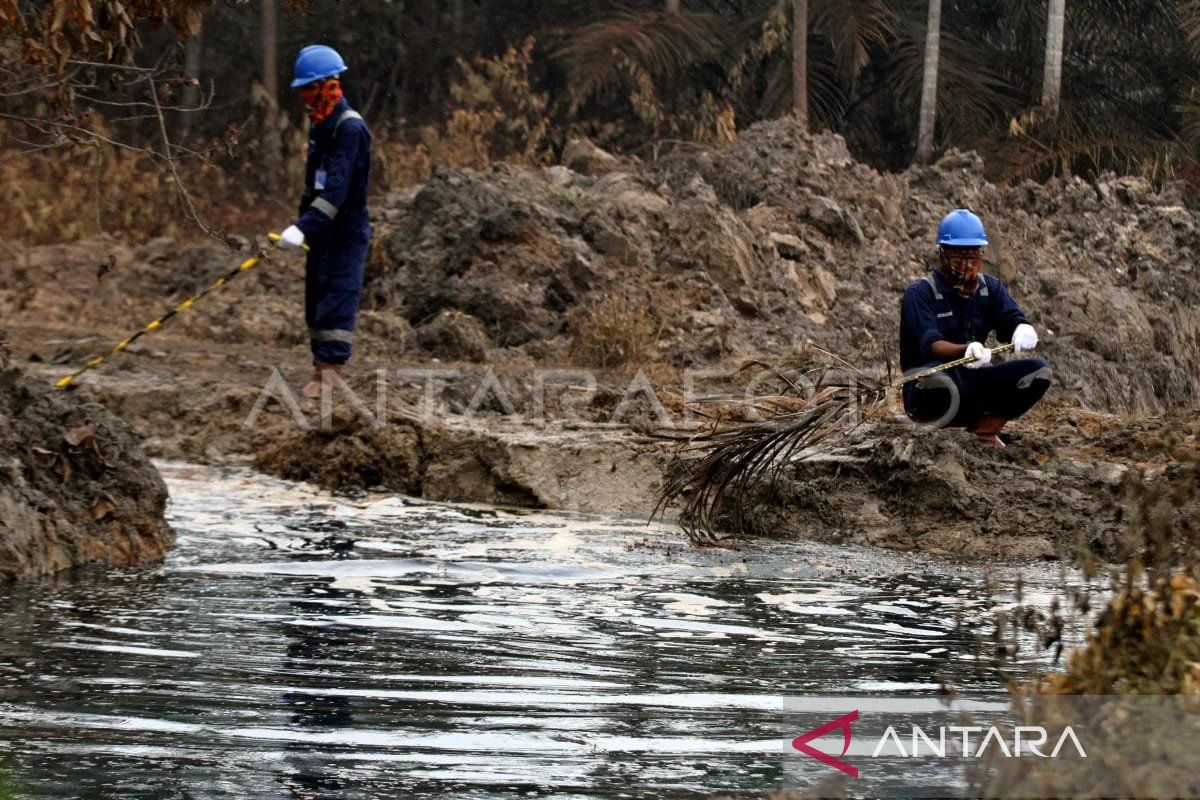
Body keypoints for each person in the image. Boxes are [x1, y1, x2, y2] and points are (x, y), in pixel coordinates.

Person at [899, 209, 1051, 446]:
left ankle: (985, 431)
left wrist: (1021, 328)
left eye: (973, 257)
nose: (966, 265)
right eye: (959, 257)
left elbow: (1011, 318)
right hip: (929, 390)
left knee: (1039, 372)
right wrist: (966, 351)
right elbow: (931, 345)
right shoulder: (920, 293)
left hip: (973, 383)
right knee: (938, 381)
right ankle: (934, 437)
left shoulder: (990, 289)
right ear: (943, 255)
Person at [277, 45, 372, 398]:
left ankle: (328, 379)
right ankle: (320, 371)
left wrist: (304, 227)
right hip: (322, 233)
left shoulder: (349, 128)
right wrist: (303, 225)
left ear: (327, 85)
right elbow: (314, 186)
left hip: (345, 232)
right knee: (316, 300)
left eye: (308, 88)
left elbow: (336, 190)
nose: (303, 95)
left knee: (336, 299)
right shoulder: (321, 126)